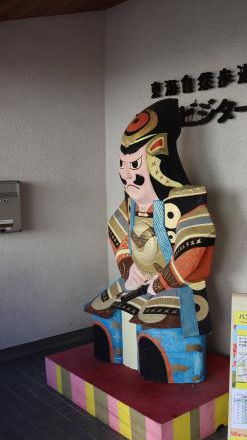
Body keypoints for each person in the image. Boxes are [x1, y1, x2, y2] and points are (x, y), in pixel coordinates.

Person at [85, 98, 216, 383]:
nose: (126, 174)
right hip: (139, 277)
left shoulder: (187, 201)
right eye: (123, 164)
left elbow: (196, 243)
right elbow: (116, 231)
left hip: (178, 286)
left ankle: (174, 369)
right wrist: (128, 268)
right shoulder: (130, 204)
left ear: (158, 163)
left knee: (157, 330)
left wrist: (162, 282)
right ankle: (119, 353)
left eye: (134, 164)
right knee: (106, 311)